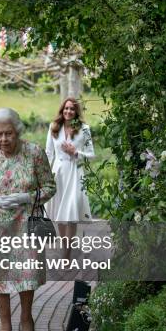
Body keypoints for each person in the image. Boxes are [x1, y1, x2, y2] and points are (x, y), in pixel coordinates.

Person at [0, 108, 56, 331]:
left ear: (17, 132)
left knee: (26, 275)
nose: (4, 140)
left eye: (8, 134)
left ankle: (26, 318)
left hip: (26, 223)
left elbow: (50, 187)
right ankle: (5, 326)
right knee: (0, 276)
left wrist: (27, 197)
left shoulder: (34, 152)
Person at [44, 97, 95, 258]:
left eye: (72, 109)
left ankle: (66, 252)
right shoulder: (54, 127)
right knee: (60, 213)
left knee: (71, 214)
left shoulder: (84, 129)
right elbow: (48, 153)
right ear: (62, 110)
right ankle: (64, 245)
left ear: (76, 112)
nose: (68, 111)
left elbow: (91, 155)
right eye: (66, 108)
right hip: (57, 172)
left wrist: (75, 153)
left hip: (75, 172)